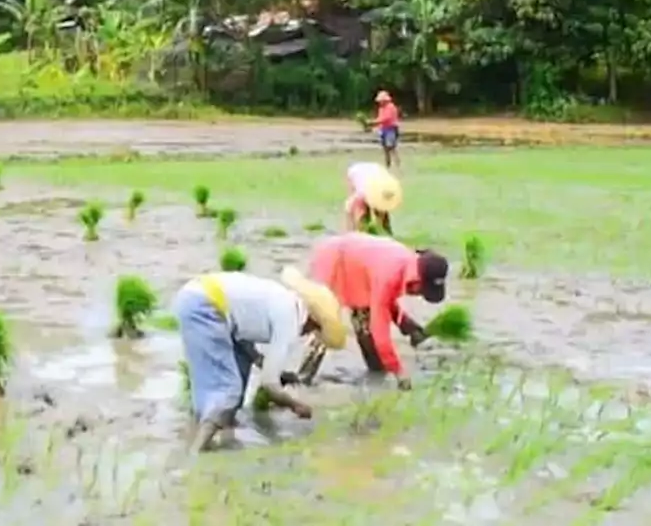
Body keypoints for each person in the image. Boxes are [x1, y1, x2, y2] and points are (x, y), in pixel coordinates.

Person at [172, 268, 347, 453]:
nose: (308, 334)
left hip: (196, 296)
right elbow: (269, 385)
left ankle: (223, 428)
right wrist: (295, 405)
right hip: (204, 306)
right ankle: (196, 452)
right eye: (314, 331)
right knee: (227, 389)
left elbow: (246, 343)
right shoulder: (291, 320)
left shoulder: (285, 300)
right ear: (313, 322)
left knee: (240, 366)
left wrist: (278, 372)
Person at [289, 233, 448, 390]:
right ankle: (300, 380)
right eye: (423, 291)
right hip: (333, 260)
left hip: (358, 271)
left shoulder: (409, 268)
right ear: (418, 281)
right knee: (324, 324)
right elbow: (381, 331)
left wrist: (406, 325)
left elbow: (385, 301)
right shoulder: (391, 273)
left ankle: (376, 376)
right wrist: (399, 373)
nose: (419, 295)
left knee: (365, 328)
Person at [343, 161, 401, 235]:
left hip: (377, 174)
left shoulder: (385, 187)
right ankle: (350, 234)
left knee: (382, 206)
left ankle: (387, 232)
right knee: (356, 211)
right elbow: (351, 210)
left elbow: (384, 205)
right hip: (357, 172)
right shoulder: (360, 196)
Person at [369, 90, 401, 170]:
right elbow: (380, 119)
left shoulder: (391, 107)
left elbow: (386, 118)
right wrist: (373, 125)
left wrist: (373, 122)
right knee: (385, 149)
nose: (380, 102)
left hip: (391, 129)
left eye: (381, 101)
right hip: (384, 129)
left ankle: (397, 165)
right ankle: (388, 166)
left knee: (391, 147)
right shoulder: (381, 108)